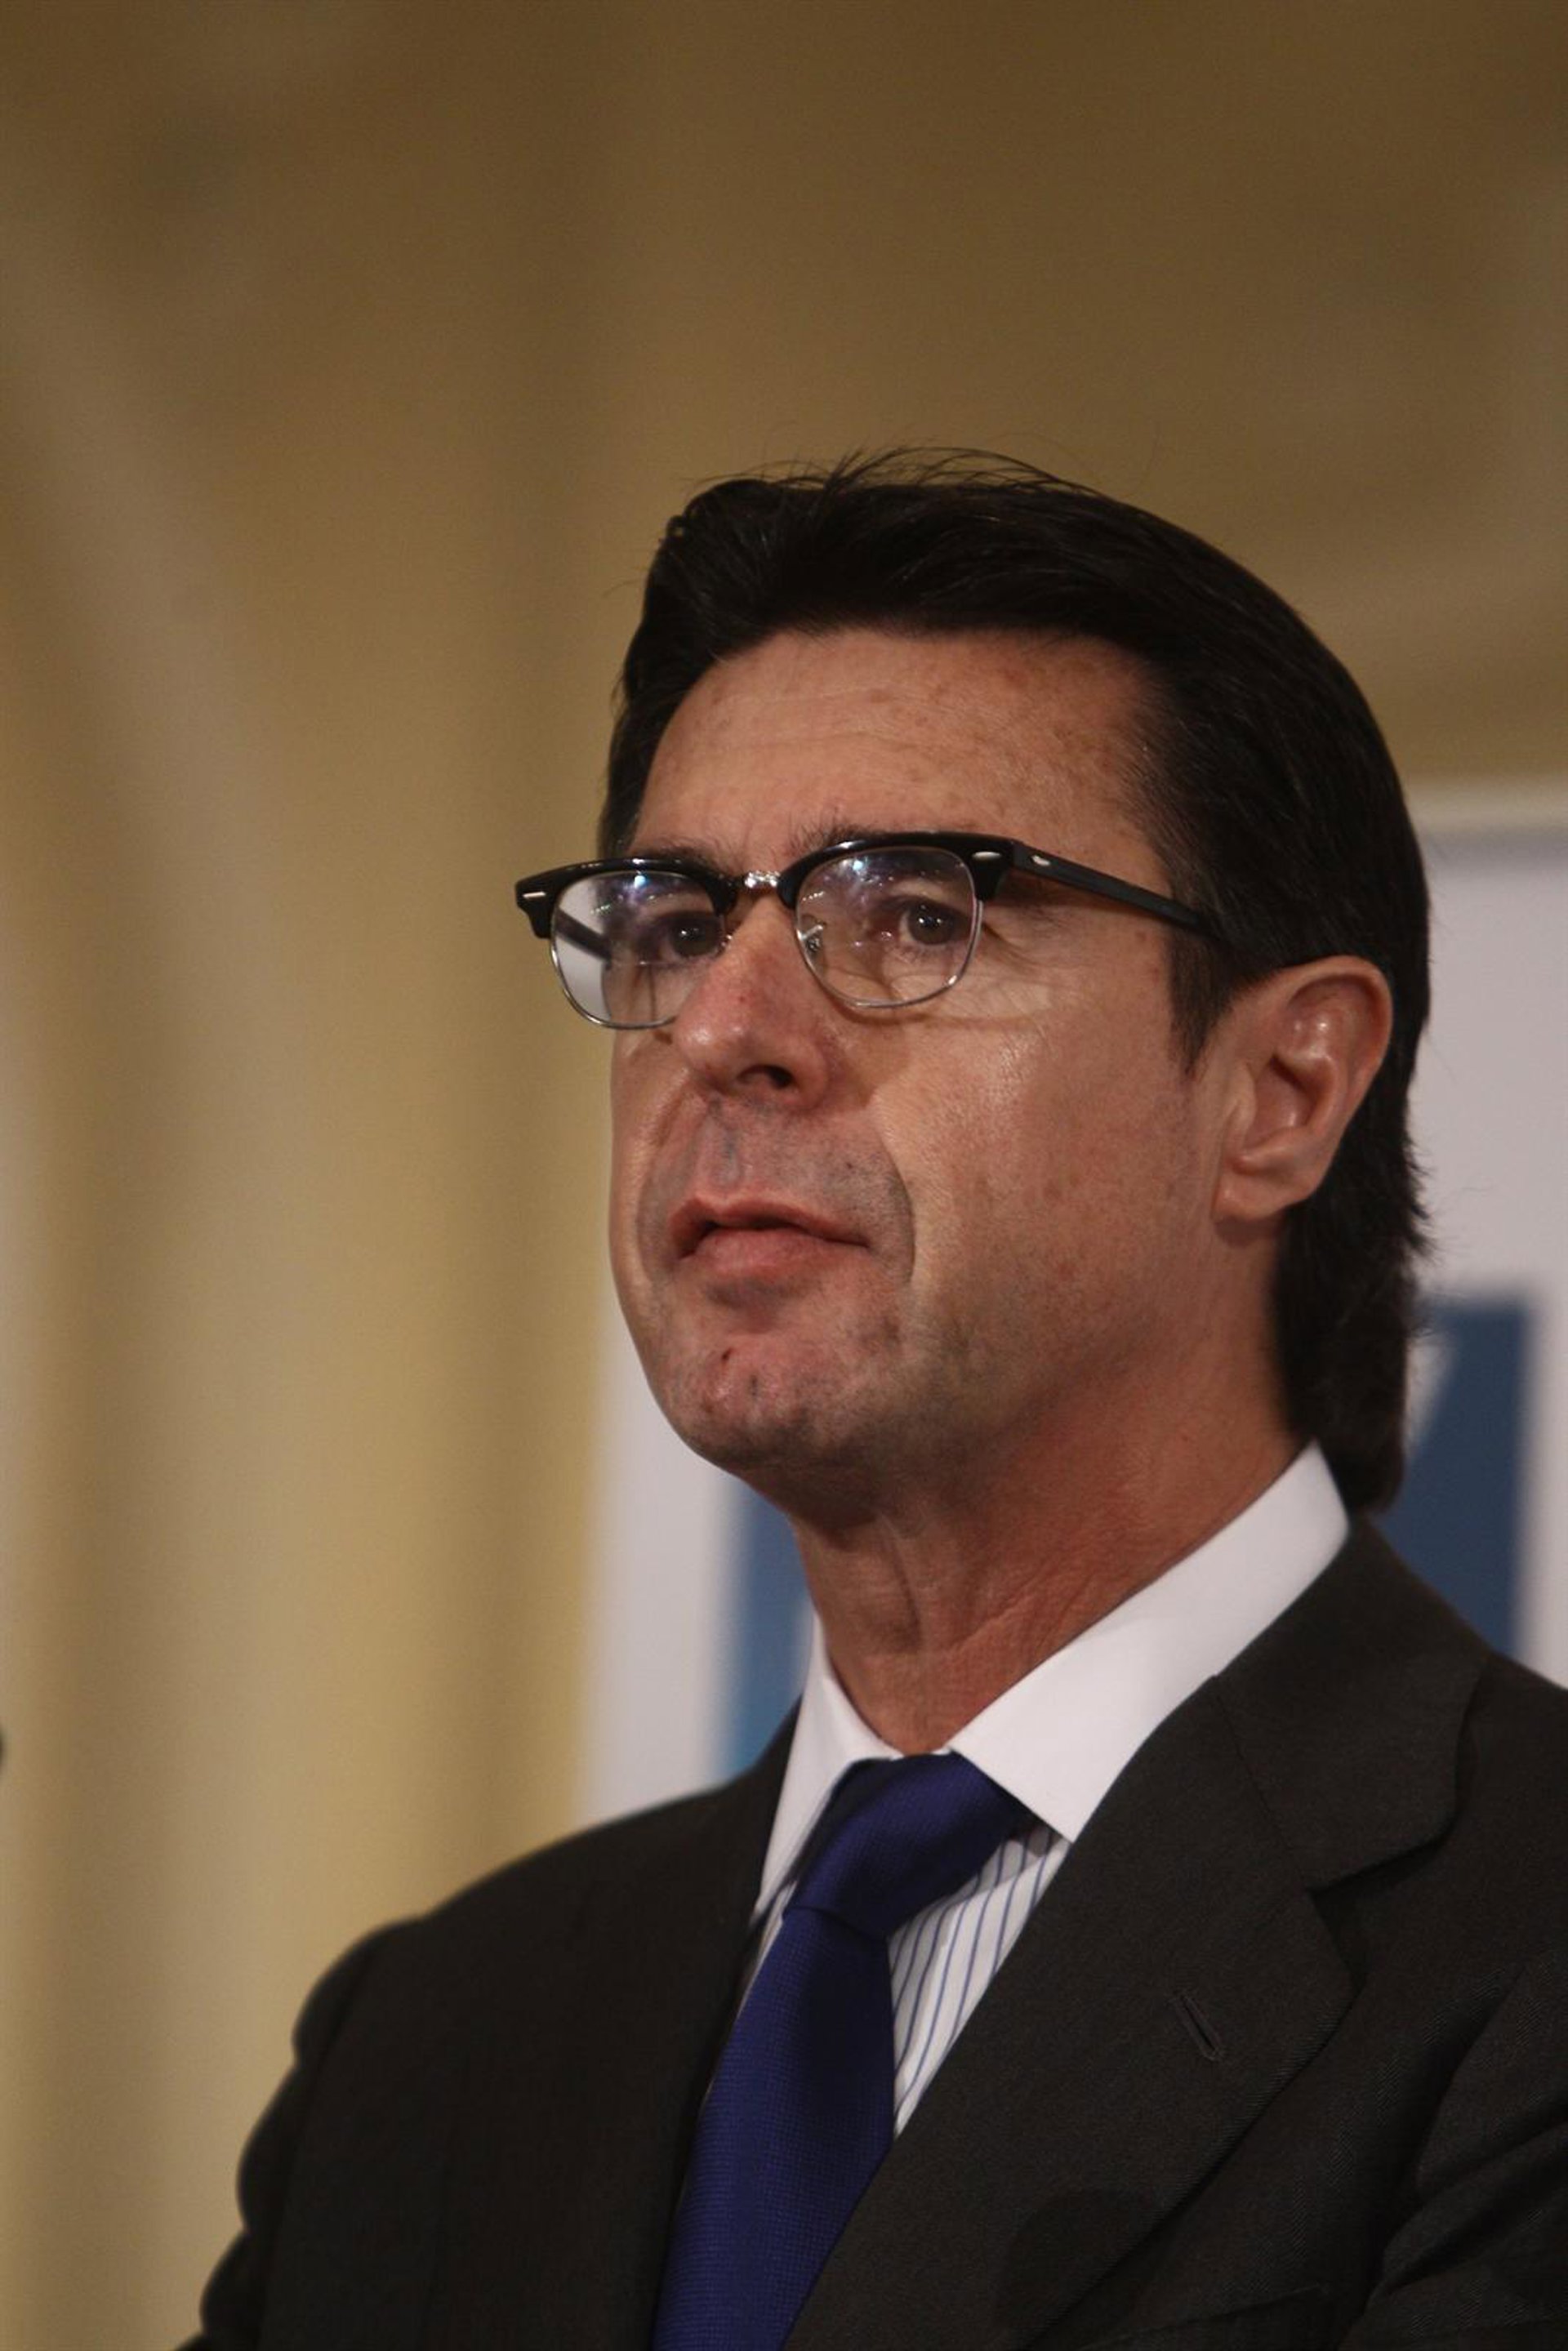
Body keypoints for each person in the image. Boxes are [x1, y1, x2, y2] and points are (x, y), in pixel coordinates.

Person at [187, 455, 1568, 2349]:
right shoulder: (425, 2045)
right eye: (676, 924)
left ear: (1283, 1093)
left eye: (916, 914)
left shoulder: (1525, 1951)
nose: (722, 1029)